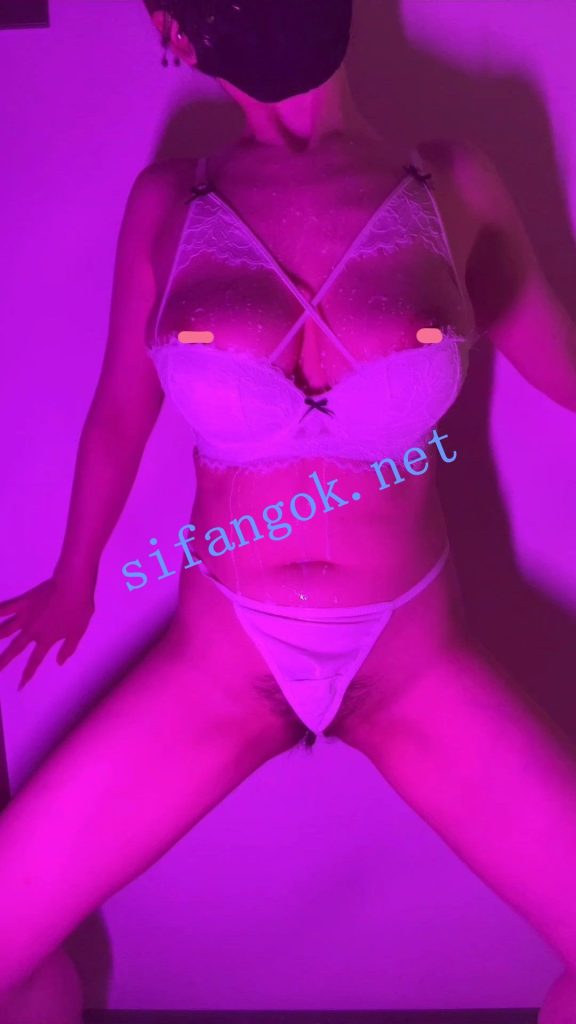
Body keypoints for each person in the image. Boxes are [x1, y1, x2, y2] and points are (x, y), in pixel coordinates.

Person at [0, 2, 575, 1020]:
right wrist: (74, 579)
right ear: (174, 31)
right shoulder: (173, 198)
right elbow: (119, 413)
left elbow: (565, 371)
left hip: (411, 660)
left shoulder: (450, 183)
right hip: (222, 659)